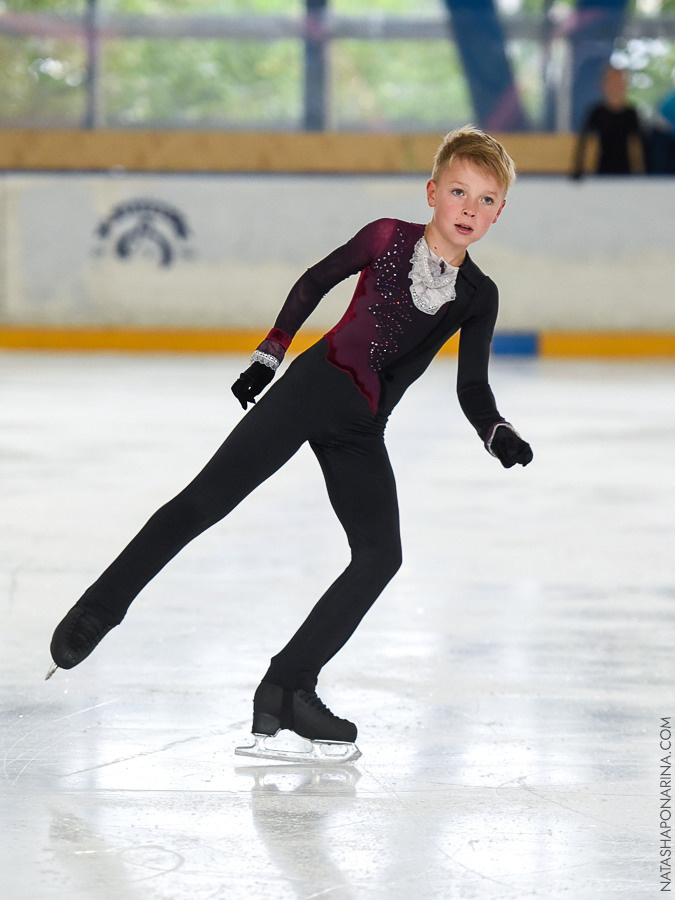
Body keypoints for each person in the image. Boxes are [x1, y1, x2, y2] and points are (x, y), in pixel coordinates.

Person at [47, 125, 533, 763]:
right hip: (313, 386)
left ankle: (286, 687)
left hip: (362, 426)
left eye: (486, 199)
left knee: (380, 555)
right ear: (432, 192)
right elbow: (315, 281)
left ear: (500, 212)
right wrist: (269, 353)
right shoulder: (387, 236)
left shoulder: (478, 295)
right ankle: (98, 610)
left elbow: (473, 386)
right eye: (459, 192)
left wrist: (497, 431)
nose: (469, 208)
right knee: (204, 502)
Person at [572, 64, 645, 178]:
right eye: (611, 82)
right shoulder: (597, 112)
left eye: (619, 82)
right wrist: (579, 170)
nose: (615, 86)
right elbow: (584, 143)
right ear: (604, 85)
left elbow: (639, 145)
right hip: (602, 170)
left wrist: (644, 172)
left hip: (626, 172)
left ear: (625, 85)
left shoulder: (631, 114)